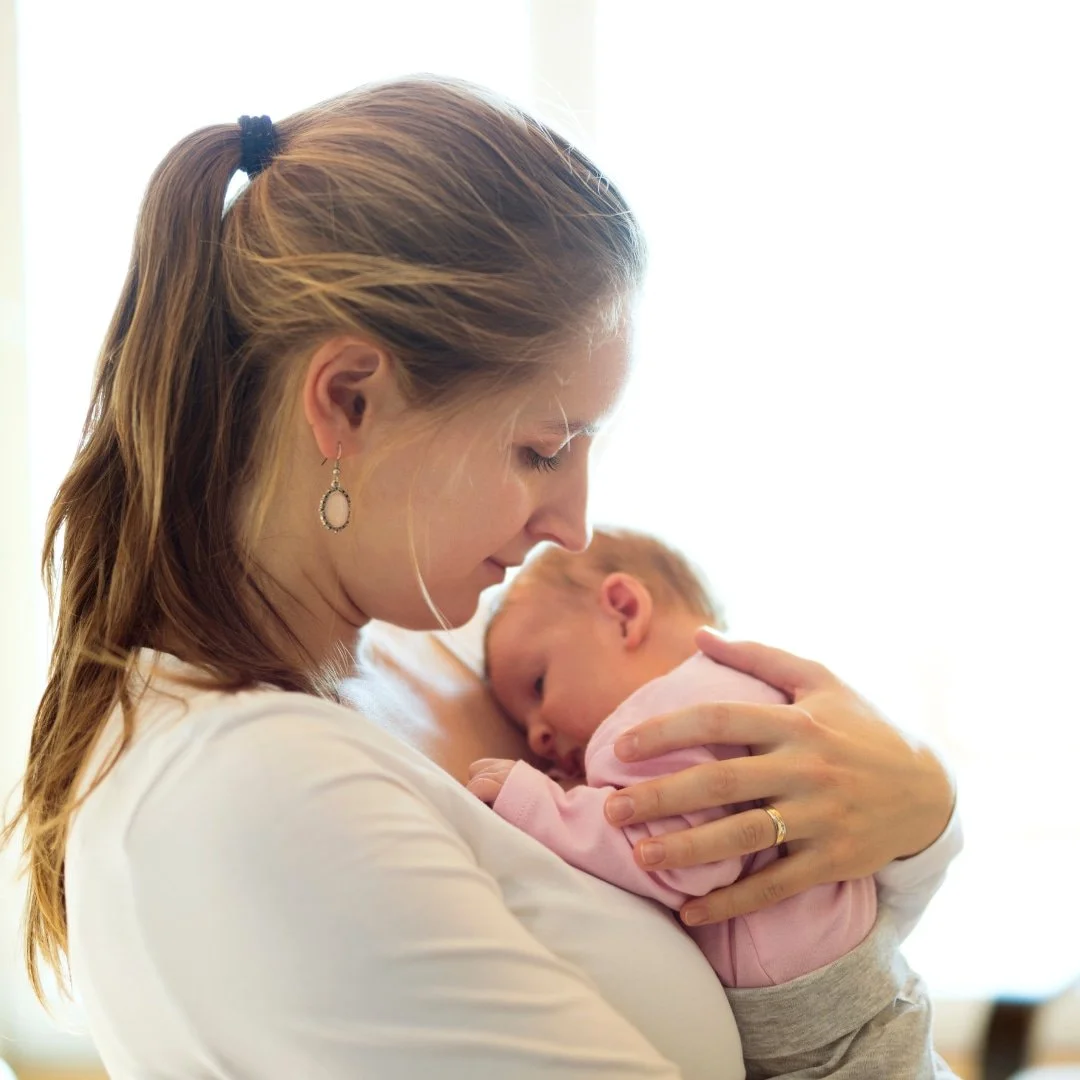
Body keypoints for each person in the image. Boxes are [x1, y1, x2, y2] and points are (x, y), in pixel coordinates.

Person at [1, 75, 961, 1079]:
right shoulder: (262, 795)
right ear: (349, 402)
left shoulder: (431, 653)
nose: (573, 523)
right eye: (543, 449)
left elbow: (797, 935)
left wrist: (923, 809)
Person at [471, 528, 951, 1077]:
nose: (535, 737)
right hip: (855, 1002)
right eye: (521, 724)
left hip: (826, 1035)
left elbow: (678, 856)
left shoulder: (660, 716)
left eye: (537, 685)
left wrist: (538, 801)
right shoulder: (746, 694)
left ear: (625, 611)